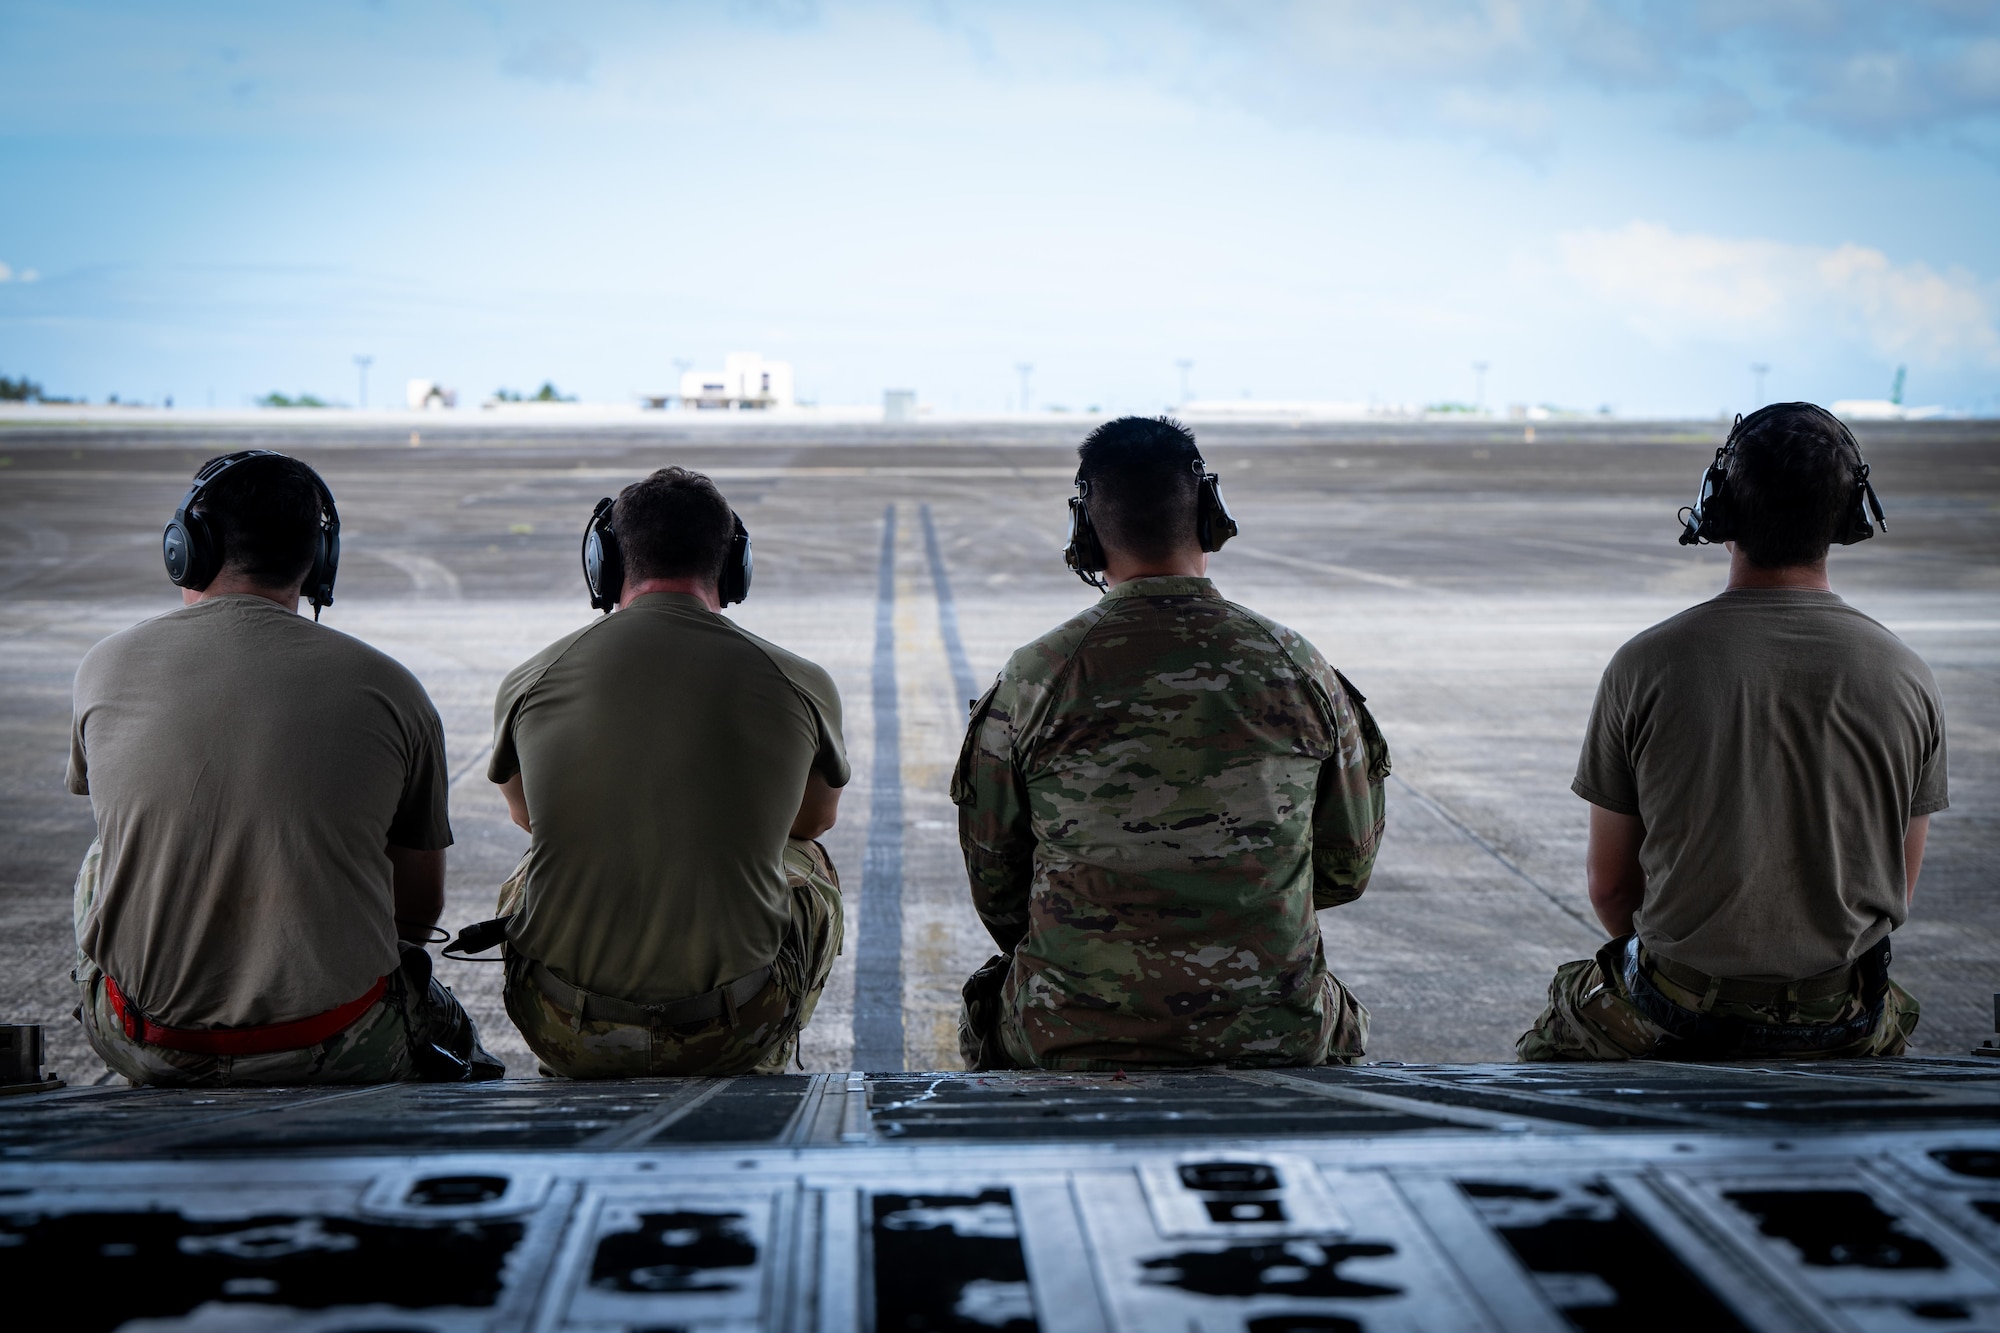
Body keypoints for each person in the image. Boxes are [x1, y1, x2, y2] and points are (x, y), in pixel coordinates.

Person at [953, 416, 1389, 1071]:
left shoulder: (1035, 675)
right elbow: (1346, 869)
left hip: (1072, 1032)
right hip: (1272, 1030)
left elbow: (997, 888)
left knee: (992, 999)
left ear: (1087, 537)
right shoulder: (1299, 666)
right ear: (1212, 518)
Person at [1519, 402, 1946, 1062]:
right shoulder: (1907, 676)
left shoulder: (1645, 664)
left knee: (1541, 1058)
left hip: (1680, 1006)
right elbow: (1898, 892)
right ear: (1849, 516)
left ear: (1718, 506)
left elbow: (1611, 889)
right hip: (1843, 1014)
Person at [68, 450, 499, 1086]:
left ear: (185, 549)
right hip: (340, 1044)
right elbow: (416, 911)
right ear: (320, 563)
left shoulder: (102, 668)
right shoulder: (391, 687)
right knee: (457, 1037)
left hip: (148, 1043)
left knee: (102, 860)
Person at [486, 466, 847, 1078]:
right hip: (731, 1031)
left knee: (538, 860)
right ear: (735, 567)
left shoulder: (531, 677)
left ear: (602, 561)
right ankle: (771, 1057)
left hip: (561, 1026)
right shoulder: (800, 680)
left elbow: (528, 816)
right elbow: (813, 820)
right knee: (806, 860)